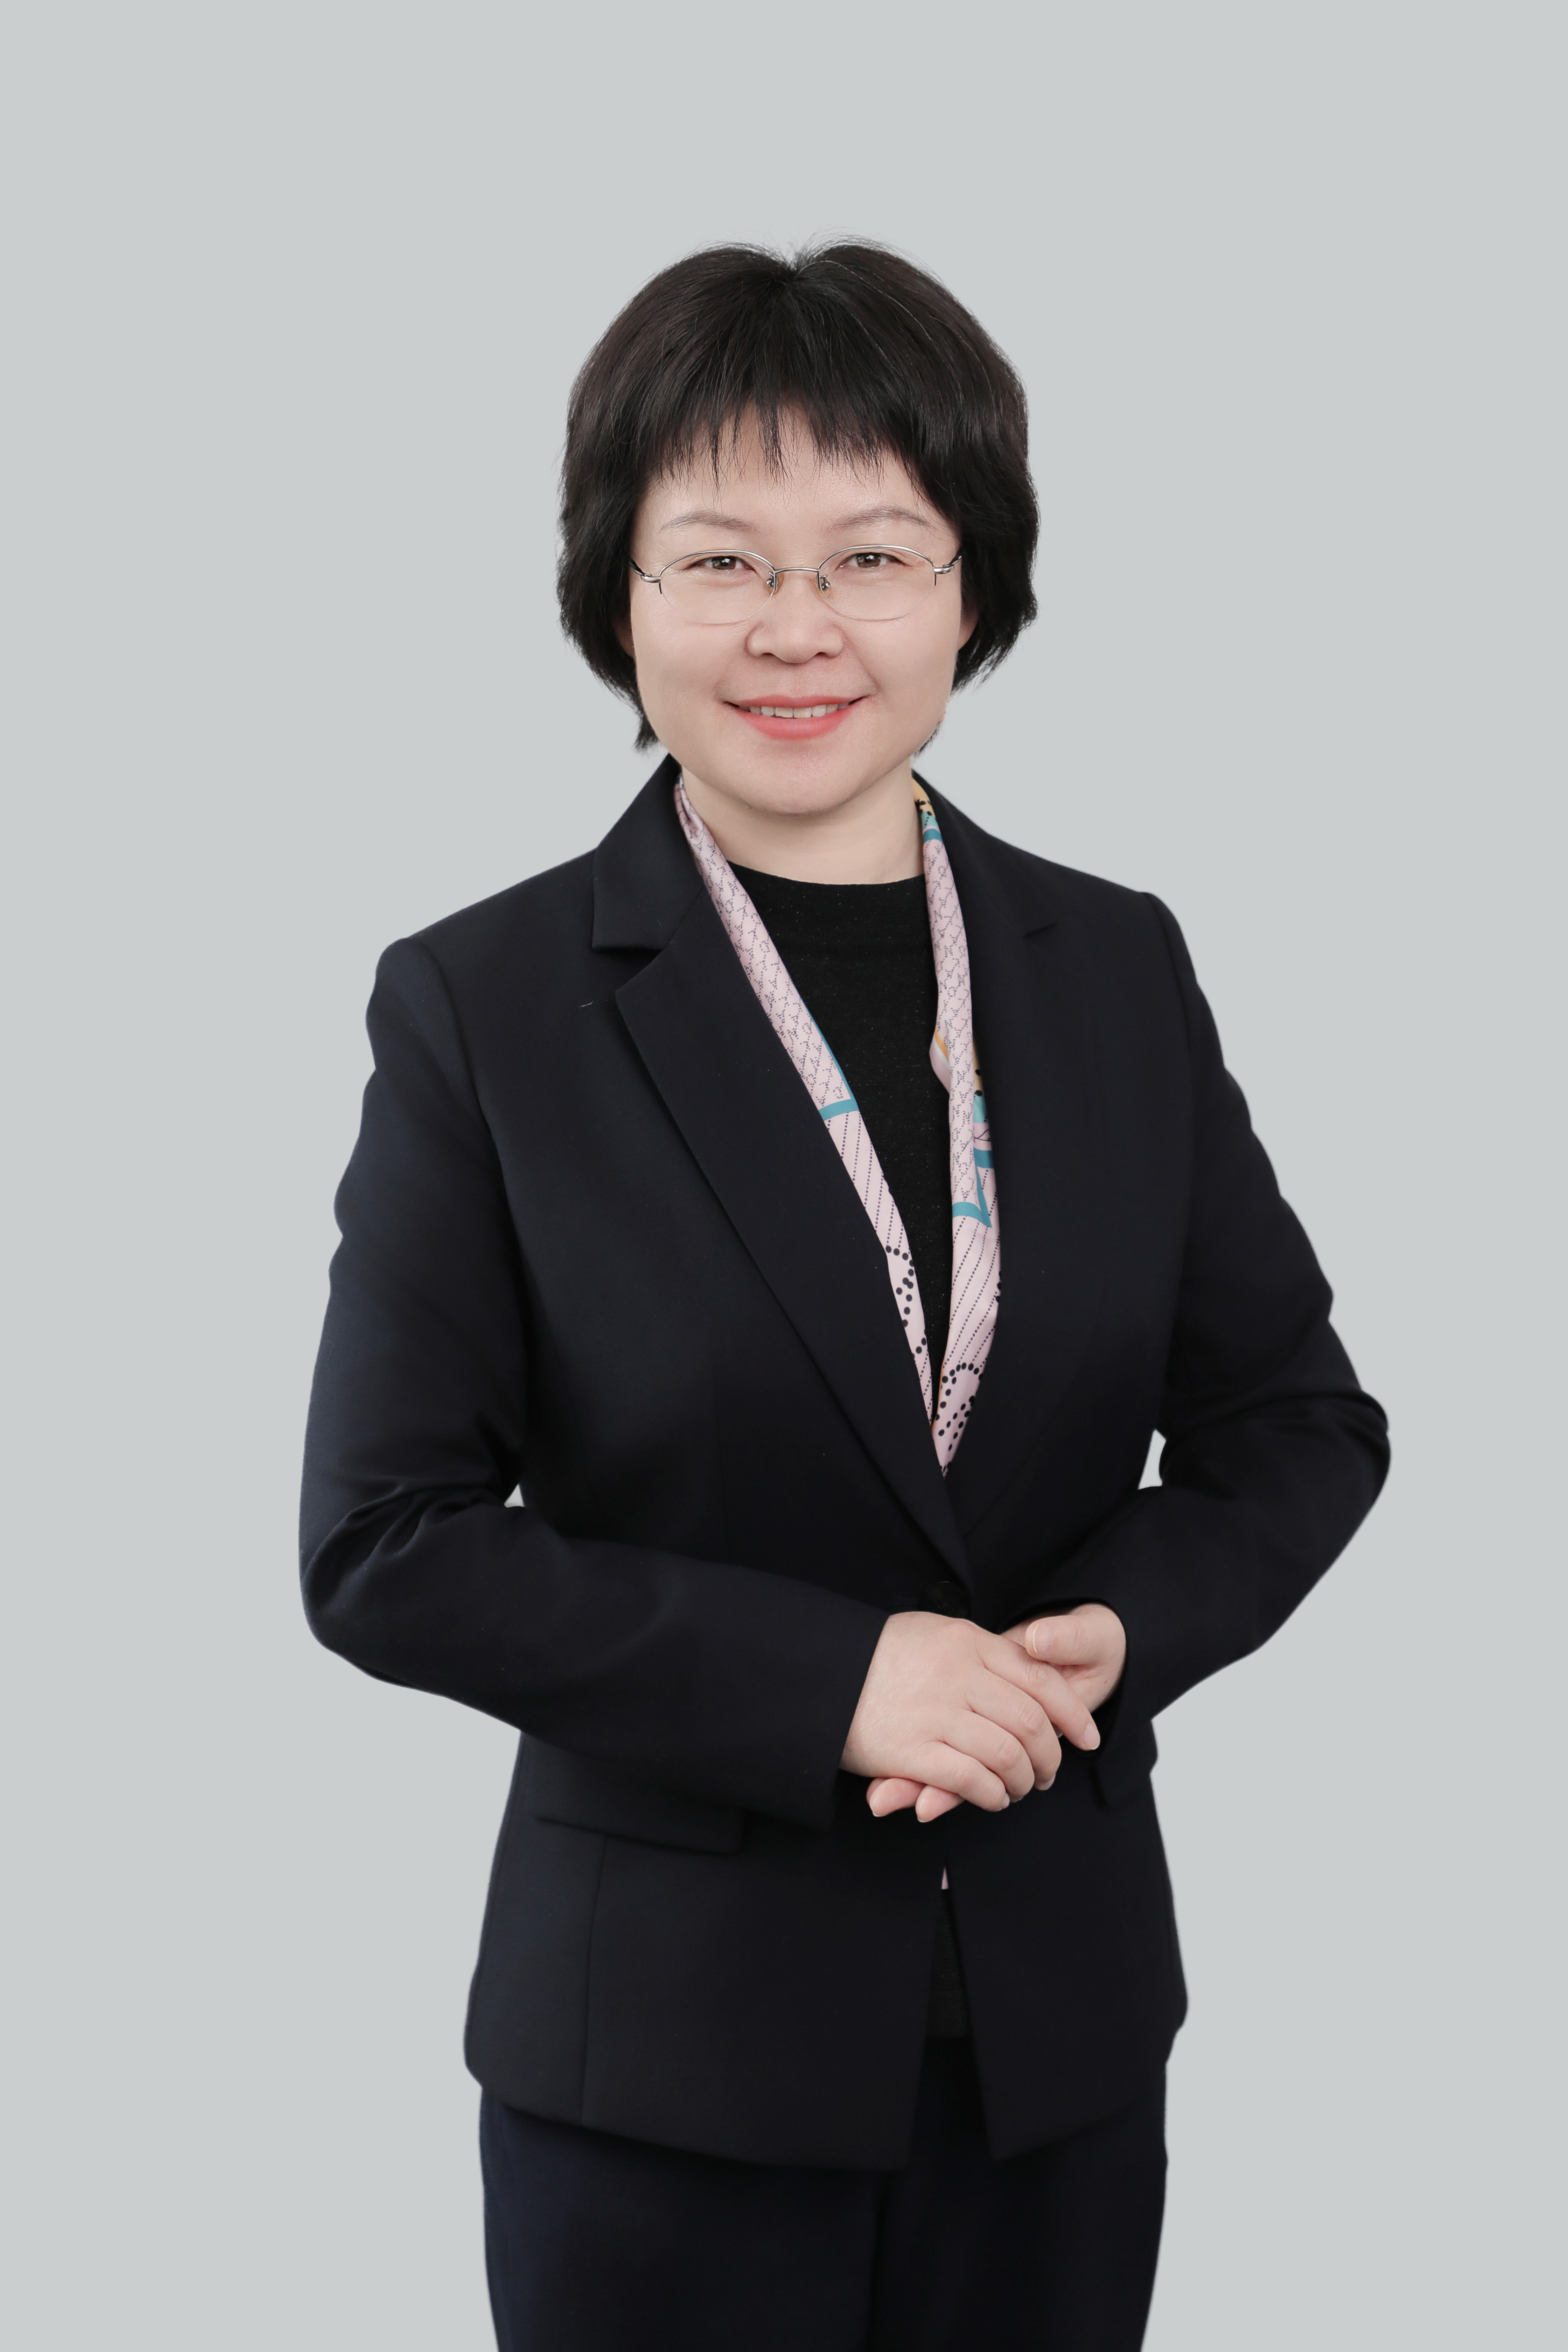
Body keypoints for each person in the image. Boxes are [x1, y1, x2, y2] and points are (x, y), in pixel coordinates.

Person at [300, 242, 1389, 2351]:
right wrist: (831, 1687)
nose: (795, 626)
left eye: (872, 555)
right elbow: (383, 1544)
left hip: (1061, 2046)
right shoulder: (487, 1004)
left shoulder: (1117, 965)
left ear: (972, 588)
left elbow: (1297, 1425)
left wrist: (1113, 1637)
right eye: (720, 559)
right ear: (617, 595)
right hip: (666, 2071)